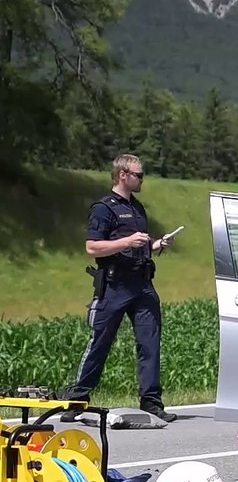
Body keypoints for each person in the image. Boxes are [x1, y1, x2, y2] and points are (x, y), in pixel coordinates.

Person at [61, 155, 178, 423]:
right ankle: (78, 399)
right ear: (123, 175)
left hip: (142, 285)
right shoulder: (104, 209)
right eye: (138, 175)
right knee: (100, 342)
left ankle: (151, 401)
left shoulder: (137, 208)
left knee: (150, 343)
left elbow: (139, 246)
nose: (142, 179)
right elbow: (92, 247)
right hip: (115, 286)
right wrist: (127, 242)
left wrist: (157, 244)